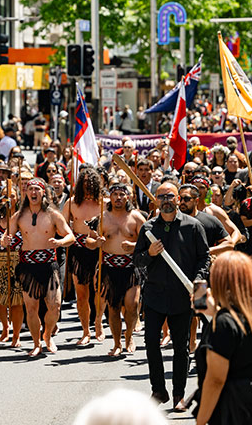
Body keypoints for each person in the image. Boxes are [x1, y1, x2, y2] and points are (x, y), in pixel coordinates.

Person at [134, 182, 210, 409]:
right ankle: (158, 390)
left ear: (178, 199)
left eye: (170, 196)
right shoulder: (148, 228)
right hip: (155, 294)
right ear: (156, 200)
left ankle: (179, 395)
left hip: (183, 296)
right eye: (161, 197)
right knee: (151, 343)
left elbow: (204, 258)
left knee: (181, 346)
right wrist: (149, 253)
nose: (166, 200)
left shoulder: (193, 226)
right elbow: (137, 260)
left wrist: (197, 282)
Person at [192, 251, 252, 424]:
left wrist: (201, 421)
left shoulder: (225, 323)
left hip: (237, 410)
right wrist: (215, 312)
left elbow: (215, 380)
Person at [2, 178, 75, 357]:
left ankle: (47, 334)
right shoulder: (19, 216)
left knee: (55, 306)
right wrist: (5, 241)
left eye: (37, 189)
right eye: (30, 189)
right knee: (31, 308)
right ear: (26, 193)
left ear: (44, 193)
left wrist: (60, 242)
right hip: (28, 266)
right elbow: (5, 238)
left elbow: (71, 236)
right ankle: (36, 343)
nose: (33, 192)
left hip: (49, 265)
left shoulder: (53, 214)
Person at [88, 183, 145, 356]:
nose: (118, 197)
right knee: (113, 308)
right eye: (115, 194)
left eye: (122, 194)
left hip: (131, 267)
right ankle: (117, 343)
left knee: (132, 305)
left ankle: (129, 336)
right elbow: (88, 241)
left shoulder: (136, 217)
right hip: (109, 268)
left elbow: (147, 241)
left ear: (128, 197)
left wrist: (134, 246)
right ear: (110, 197)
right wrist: (96, 243)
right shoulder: (102, 217)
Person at [63, 167, 105, 345]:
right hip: (78, 251)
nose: (88, 185)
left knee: (99, 290)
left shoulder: (104, 203)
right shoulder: (72, 203)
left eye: (91, 182)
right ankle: (86, 331)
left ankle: (98, 321)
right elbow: (62, 226)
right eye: (84, 182)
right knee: (81, 294)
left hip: (100, 251)